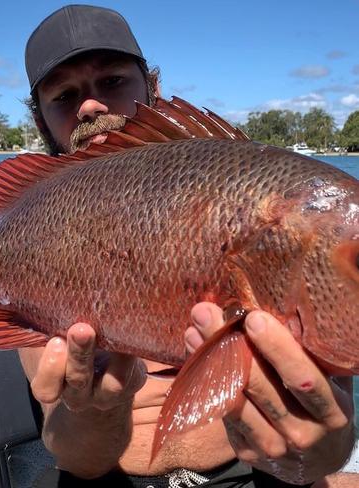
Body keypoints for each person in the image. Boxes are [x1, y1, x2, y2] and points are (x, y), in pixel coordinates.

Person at [18, 5, 356, 487]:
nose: (90, 106)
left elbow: (331, 433)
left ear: (151, 89)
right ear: (41, 121)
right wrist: (96, 412)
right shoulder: (36, 231)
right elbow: (75, 456)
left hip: (252, 470)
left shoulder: (261, 194)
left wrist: (323, 450)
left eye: (112, 82)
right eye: (65, 95)